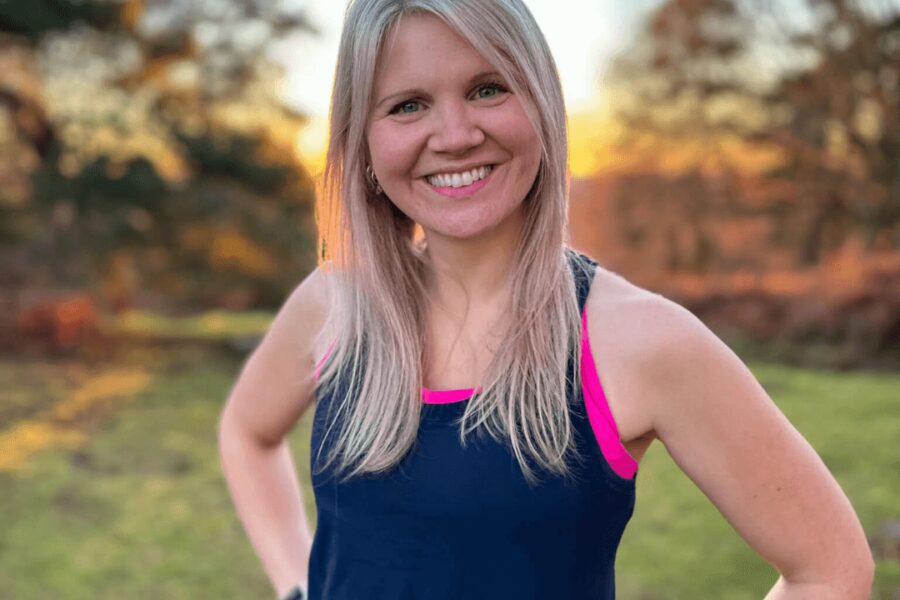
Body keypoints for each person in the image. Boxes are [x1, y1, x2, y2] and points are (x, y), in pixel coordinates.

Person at [217, 1, 875, 599]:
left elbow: (834, 568)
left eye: (487, 89)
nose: (453, 135)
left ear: (542, 106)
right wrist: (295, 584)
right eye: (407, 105)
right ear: (362, 144)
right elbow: (247, 432)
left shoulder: (637, 340)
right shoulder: (335, 304)